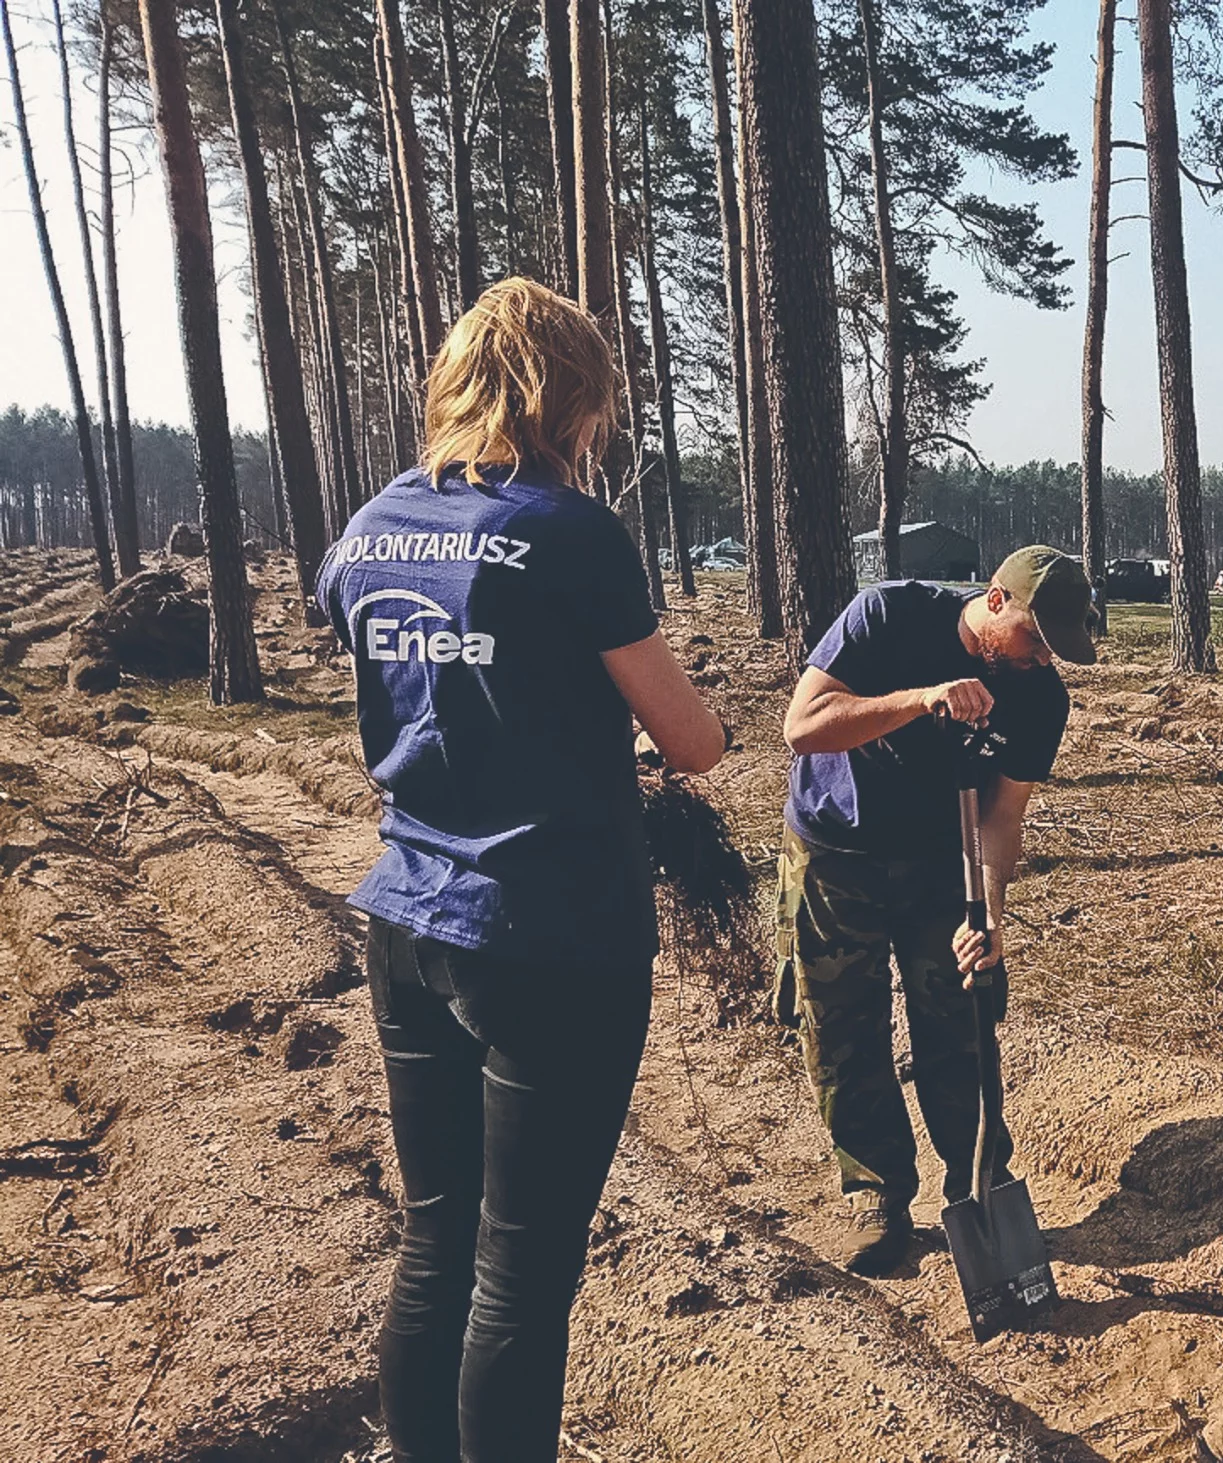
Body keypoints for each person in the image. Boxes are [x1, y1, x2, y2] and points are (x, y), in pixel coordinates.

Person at [316, 277, 726, 1461]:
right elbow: (689, 739)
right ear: (570, 401)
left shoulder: (373, 523)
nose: (597, 437)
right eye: (595, 412)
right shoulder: (567, 532)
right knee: (522, 1271)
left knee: (436, 1240)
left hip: (408, 920)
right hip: (554, 936)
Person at [777, 546, 1094, 1275]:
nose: (1043, 659)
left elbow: (1003, 813)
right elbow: (803, 725)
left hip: (940, 859)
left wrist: (987, 911)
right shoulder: (886, 615)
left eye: (1056, 649)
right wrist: (921, 699)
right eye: (1035, 638)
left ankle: (981, 1185)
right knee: (843, 1024)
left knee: (963, 1013)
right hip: (835, 846)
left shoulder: (1040, 696)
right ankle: (876, 1193)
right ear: (994, 601)